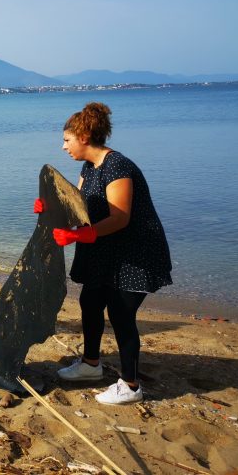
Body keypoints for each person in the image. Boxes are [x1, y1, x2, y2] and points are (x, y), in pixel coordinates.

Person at [43, 101, 172, 405]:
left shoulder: (118, 166)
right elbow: (78, 209)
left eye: (66, 140)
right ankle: (90, 365)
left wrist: (81, 234)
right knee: (90, 301)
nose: (63, 147)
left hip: (136, 253)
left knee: (121, 314)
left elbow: (120, 217)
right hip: (106, 251)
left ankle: (130, 385)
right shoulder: (89, 167)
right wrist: (49, 211)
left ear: (84, 137)